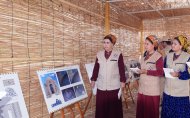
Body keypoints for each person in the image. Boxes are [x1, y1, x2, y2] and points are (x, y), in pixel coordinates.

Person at [91, 34, 126, 118]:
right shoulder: (99, 54)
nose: (105, 44)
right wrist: (93, 79)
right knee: (101, 109)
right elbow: (96, 68)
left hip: (114, 86)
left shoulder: (118, 54)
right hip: (101, 86)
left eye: (107, 42)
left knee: (113, 110)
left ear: (112, 44)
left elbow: (121, 69)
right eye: (104, 42)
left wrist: (123, 81)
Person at [161, 35, 190, 118]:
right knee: (168, 114)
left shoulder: (188, 57)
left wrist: (178, 74)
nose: (172, 45)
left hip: (180, 94)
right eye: (172, 43)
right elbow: (164, 69)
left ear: (181, 46)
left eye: (175, 44)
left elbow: (189, 74)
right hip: (168, 92)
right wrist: (165, 72)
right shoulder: (168, 56)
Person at [136, 35, 164, 118]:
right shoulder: (143, 56)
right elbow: (142, 69)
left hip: (152, 90)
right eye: (144, 43)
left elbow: (160, 72)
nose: (145, 45)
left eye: (147, 44)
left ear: (153, 45)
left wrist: (146, 71)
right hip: (142, 89)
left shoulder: (158, 57)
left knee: (151, 112)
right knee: (142, 111)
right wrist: (137, 71)